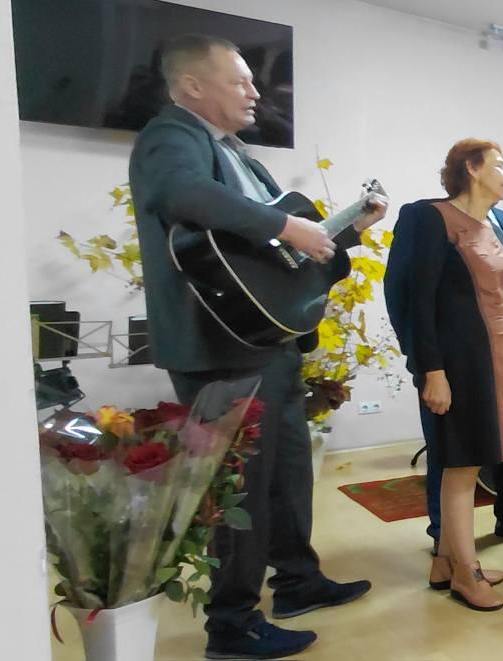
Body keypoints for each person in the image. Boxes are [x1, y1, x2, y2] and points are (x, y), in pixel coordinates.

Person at [128, 33, 378, 658]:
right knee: (238, 489)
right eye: (239, 80)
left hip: (266, 339)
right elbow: (182, 194)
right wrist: (287, 224)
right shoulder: (170, 135)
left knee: (287, 473)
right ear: (192, 86)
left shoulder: (239, 154)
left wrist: (343, 231)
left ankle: (297, 581)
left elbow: (273, 259)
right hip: (220, 346)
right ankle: (232, 624)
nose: (254, 91)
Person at [394, 139, 503, 610]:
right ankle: (467, 575)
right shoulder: (433, 218)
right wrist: (432, 370)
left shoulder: (494, 225)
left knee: (471, 459)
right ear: (471, 167)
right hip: (463, 359)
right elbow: (418, 300)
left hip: (498, 356)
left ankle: (448, 561)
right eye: (499, 165)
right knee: (463, 463)